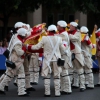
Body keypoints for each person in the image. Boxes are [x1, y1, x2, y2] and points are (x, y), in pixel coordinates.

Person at [27, 25, 66, 97]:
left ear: (48, 31)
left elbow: (37, 47)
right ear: (55, 31)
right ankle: (57, 93)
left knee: (47, 76)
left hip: (47, 60)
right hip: (57, 60)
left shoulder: (44, 38)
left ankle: (47, 93)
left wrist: (28, 46)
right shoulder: (59, 38)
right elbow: (63, 50)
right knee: (57, 76)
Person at [0, 28, 29, 96]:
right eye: (25, 34)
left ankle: (1, 87)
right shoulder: (18, 42)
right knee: (20, 75)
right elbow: (19, 53)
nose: (26, 35)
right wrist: (25, 50)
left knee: (9, 74)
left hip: (14, 60)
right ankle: (21, 91)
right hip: (17, 61)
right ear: (22, 35)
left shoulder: (16, 37)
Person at [68, 22, 85, 92]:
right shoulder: (69, 32)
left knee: (79, 70)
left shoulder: (78, 33)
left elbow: (74, 38)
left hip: (77, 53)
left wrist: (67, 34)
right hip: (70, 53)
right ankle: (69, 85)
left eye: (71, 26)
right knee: (70, 70)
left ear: (74, 27)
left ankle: (82, 85)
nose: (70, 27)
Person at [57, 20, 72, 94]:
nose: (57, 26)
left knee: (64, 72)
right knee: (62, 73)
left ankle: (67, 89)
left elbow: (64, 46)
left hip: (64, 55)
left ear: (61, 26)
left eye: (58, 25)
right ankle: (63, 88)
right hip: (62, 55)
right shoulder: (62, 33)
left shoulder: (63, 35)